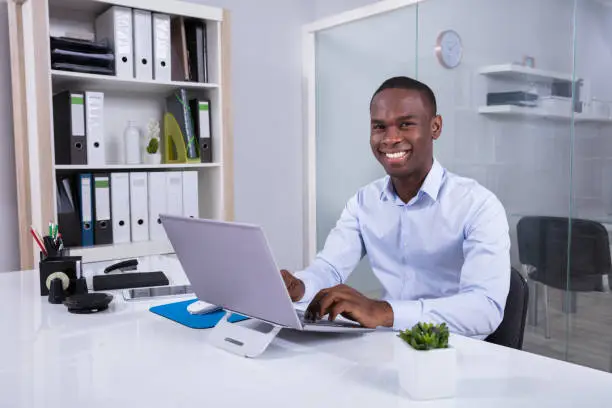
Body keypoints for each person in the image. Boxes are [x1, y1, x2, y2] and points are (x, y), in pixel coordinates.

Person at [281, 76, 510, 338]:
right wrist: (299, 286)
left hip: (453, 349)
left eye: (405, 124)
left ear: (435, 127)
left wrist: (384, 312)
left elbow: (485, 308)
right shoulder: (363, 202)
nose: (390, 139)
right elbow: (330, 268)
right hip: (387, 343)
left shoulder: (478, 205)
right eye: (379, 127)